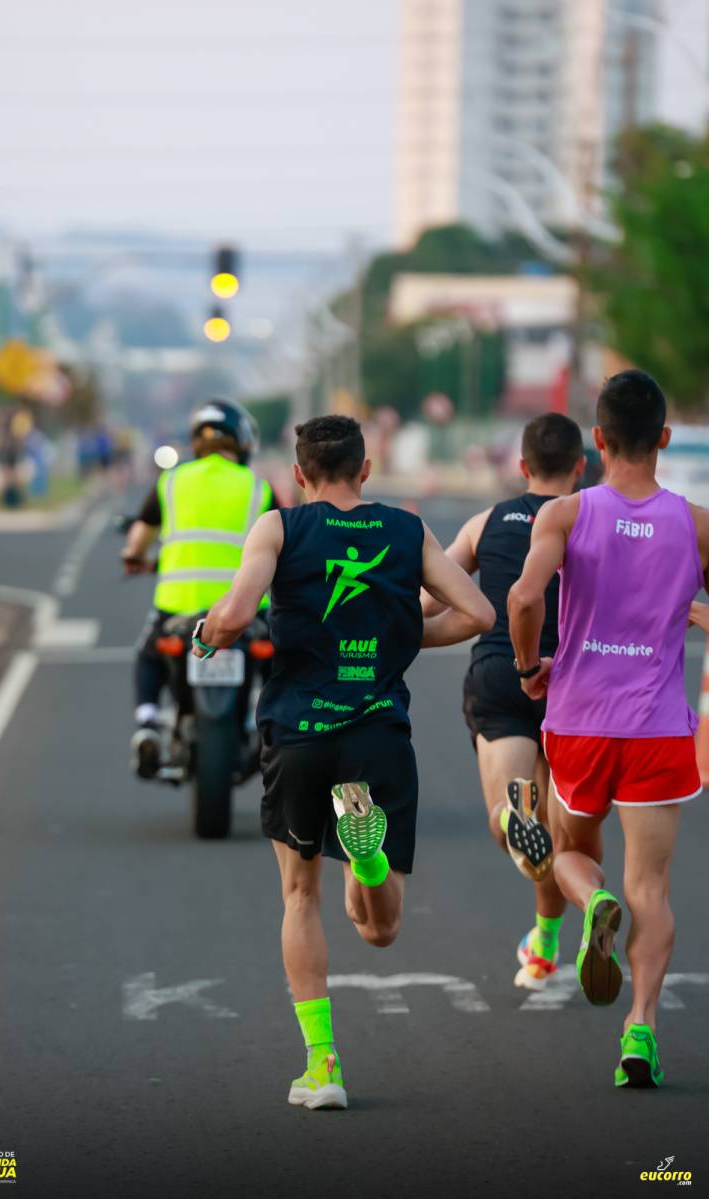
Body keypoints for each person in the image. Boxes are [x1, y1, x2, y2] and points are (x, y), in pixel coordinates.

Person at [193, 415, 494, 1109]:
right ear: (365, 469)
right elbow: (479, 613)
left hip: (298, 734)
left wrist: (207, 633)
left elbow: (235, 615)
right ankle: (369, 861)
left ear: (299, 475)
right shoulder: (405, 529)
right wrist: (401, 639)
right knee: (382, 930)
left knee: (301, 897)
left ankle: (322, 1064)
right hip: (376, 733)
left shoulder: (279, 527)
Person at [508, 369, 707, 1088]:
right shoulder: (696, 524)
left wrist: (529, 666)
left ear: (597, 439)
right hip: (657, 728)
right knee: (650, 887)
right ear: (664, 437)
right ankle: (640, 1031)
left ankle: (593, 902)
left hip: (580, 722)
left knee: (569, 852)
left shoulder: (565, 515)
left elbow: (524, 596)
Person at [423, 413, 585, 990]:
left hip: (501, 673)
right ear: (580, 466)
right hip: (574, 680)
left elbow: (430, 597)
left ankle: (509, 823)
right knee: (560, 836)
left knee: (515, 819)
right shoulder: (591, 519)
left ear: (521, 466)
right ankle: (547, 942)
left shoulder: (485, 522)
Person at [121, 400, 277, 777]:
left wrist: (134, 557)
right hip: (245, 609)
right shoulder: (257, 488)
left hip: (178, 607)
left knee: (148, 655)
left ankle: (147, 724)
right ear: (242, 441)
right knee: (280, 660)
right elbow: (286, 538)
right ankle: (277, 726)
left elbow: (138, 538)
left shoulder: (172, 482)